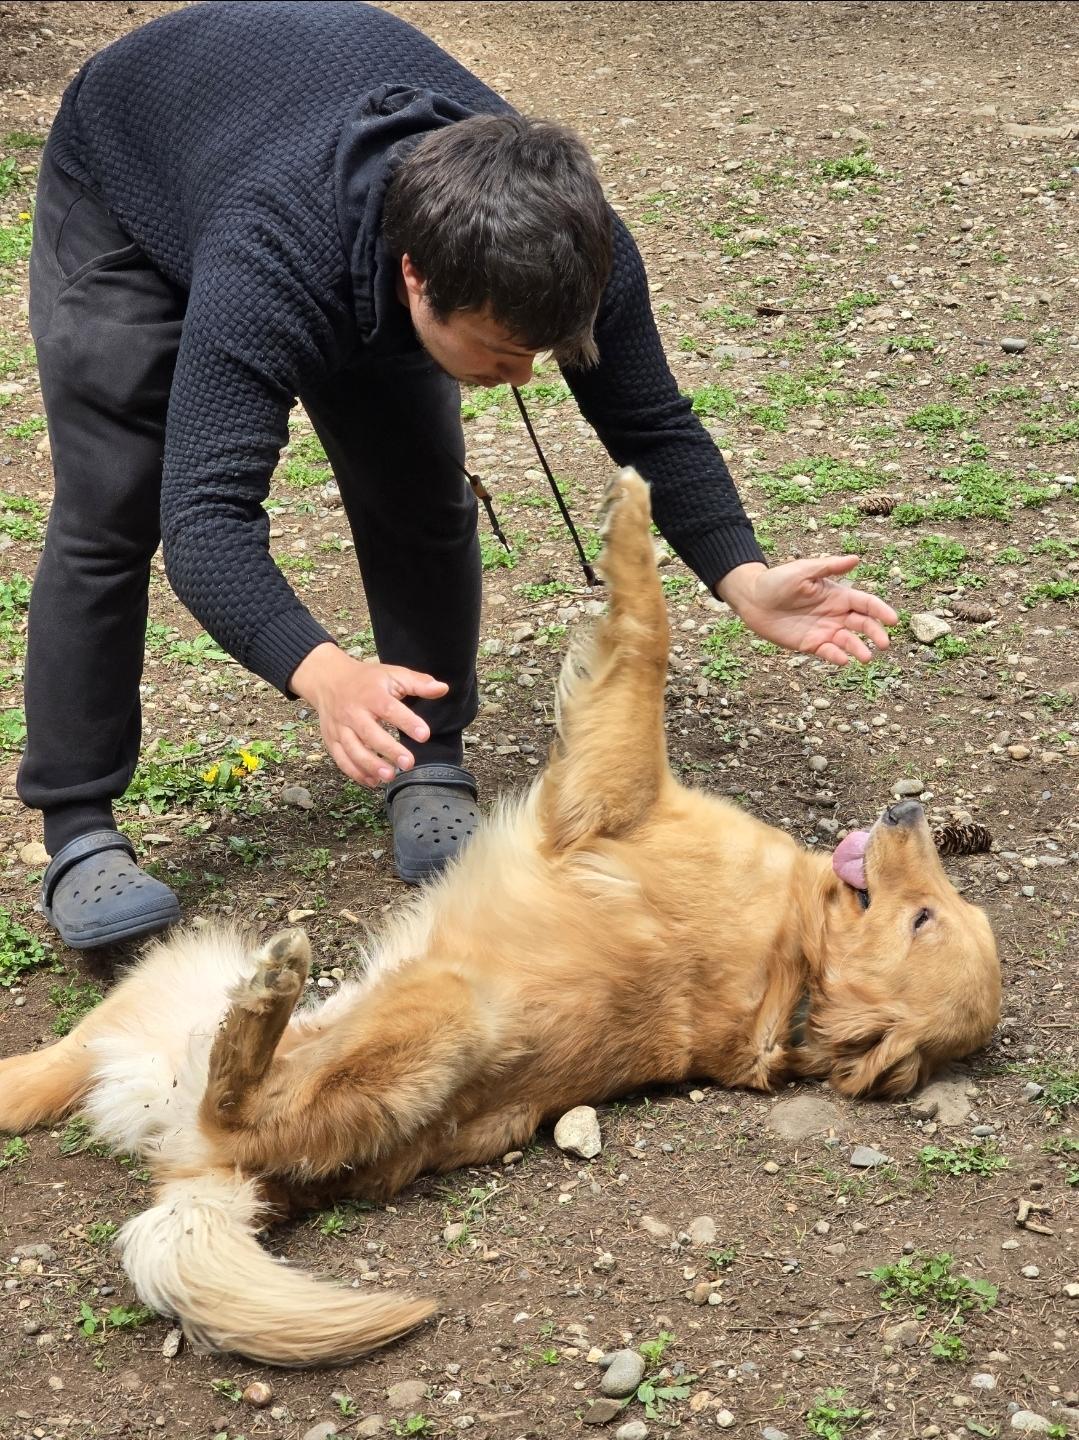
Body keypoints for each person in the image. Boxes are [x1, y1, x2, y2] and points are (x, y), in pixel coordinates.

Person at [20, 1, 897, 950]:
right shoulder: (275, 257)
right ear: (415, 278)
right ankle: (78, 829)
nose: (519, 378)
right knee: (116, 505)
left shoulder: (574, 246)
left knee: (416, 488)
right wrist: (324, 675)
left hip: (304, 155)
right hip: (137, 164)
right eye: (500, 352)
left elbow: (650, 420)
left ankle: (427, 759)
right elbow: (205, 520)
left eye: (540, 354)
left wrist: (742, 574)